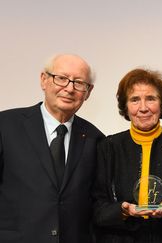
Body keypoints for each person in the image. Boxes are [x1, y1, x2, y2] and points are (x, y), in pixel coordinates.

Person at [0, 54, 104, 243]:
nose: (69, 88)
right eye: (62, 78)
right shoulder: (5, 126)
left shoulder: (96, 139)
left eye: (79, 83)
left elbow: (95, 205)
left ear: (88, 92)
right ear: (44, 80)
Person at [92, 68, 162, 243]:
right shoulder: (107, 148)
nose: (143, 108)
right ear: (126, 106)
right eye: (135, 99)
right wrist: (122, 211)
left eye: (151, 99)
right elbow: (96, 209)